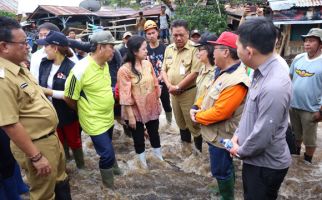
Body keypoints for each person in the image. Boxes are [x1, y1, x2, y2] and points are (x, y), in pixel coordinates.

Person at [0, 16, 71, 200]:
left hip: (50, 137)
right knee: (43, 194)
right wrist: (36, 157)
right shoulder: (2, 79)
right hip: (36, 144)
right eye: (23, 43)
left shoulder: (19, 67)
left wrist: (59, 94)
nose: (28, 46)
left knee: (61, 180)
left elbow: (36, 91)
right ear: (4, 46)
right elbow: (10, 124)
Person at [230, 17, 292, 199]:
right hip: (254, 157)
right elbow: (250, 109)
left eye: (237, 47)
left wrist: (238, 150)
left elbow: (263, 135)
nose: (236, 50)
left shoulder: (274, 85)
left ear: (249, 52)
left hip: (265, 165)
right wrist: (237, 135)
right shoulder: (262, 67)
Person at [191, 31, 250, 200]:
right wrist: (197, 105)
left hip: (222, 135)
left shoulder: (236, 80)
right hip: (215, 132)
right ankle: (224, 188)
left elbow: (221, 112)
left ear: (226, 52)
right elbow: (209, 91)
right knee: (223, 168)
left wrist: (197, 116)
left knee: (221, 170)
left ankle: (227, 196)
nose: (211, 51)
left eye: (215, 48)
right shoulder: (222, 71)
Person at [64, 30, 119, 188]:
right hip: (93, 120)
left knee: (108, 145)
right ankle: (109, 188)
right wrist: (83, 110)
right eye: (111, 47)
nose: (114, 50)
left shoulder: (105, 64)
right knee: (106, 154)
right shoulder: (80, 69)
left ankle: (114, 170)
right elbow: (69, 97)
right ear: (101, 47)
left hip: (108, 117)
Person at [36, 31, 85, 169]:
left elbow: (74, 95)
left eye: (46, 46)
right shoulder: (44, 63)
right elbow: (41, 84)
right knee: (58, 141)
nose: (44, 49)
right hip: (51, 112)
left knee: (74, 141)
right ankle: (65, 166)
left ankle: (81, 167)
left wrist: (48, 92)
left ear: (55, 48)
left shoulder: (71, 68)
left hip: (68, 112)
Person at [117, 36, 163, 168]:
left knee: (154, 134)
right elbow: (125, 95)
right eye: (144, 49)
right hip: (135, 110)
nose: (147, 51)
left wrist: (157, 100)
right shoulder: (124, 70)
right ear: (135, 51)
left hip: (150, 106)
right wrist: (130, 116)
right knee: (138, 139)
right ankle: (143, 165)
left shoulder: (147, 64)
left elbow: (155, 83)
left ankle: (159, 159)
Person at [161, 19, 203, 154]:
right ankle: (186, 150)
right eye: (175, 35)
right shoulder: (168, 49)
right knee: (180, 122)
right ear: (171, 35)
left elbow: (194, 73)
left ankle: (199, 154)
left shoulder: (194, 49)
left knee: (193, 123)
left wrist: (178, 86)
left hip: (188, 93)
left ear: (188, 34)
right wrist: (169, 86)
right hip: (172, 92)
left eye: (181, 35)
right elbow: (163, 70)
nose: (178, 38)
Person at [289, 28, 322, 164]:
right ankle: (296, 157)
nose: (307, 43)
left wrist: (321, 111)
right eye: (306, 40)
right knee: (295, 134)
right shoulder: (298, 58)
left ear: (321, 44)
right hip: (293, 105)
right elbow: (289, 78)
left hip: (311, 109)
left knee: (310, 140)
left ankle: (307, 162)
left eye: (312, 41)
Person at [144, 20, 173, 128]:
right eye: (148, 33)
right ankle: (153, 126)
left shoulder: (165, 48)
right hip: (150, 83)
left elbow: (170, 65)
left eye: (153, 33)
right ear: (146, 35)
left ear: (157, 32)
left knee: (166, 104)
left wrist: (161, 76)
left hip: (163, 81)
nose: (151, 35)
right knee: (151, 105)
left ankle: (169, 124)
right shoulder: (145, 49)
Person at [193, 33, 217, 100]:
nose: (198, 53)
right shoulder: (203, 67)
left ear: (209, 50)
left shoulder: (217, 72)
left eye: (200, 50)